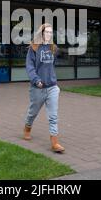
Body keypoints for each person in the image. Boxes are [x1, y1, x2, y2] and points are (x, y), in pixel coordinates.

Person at [23, 23, 65, 153]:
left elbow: (52, 65)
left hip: (52, 87)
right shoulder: (33, 48)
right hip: (38, 88)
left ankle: (55, 143)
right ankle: (27, 127)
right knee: (32, 112)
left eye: (51, 32)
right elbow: (29, 67)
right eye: (46, 32)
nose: (49, 34)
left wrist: (52, 80)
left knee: (53, 116)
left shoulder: (53, 48)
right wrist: (36, 80)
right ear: (41, 33)